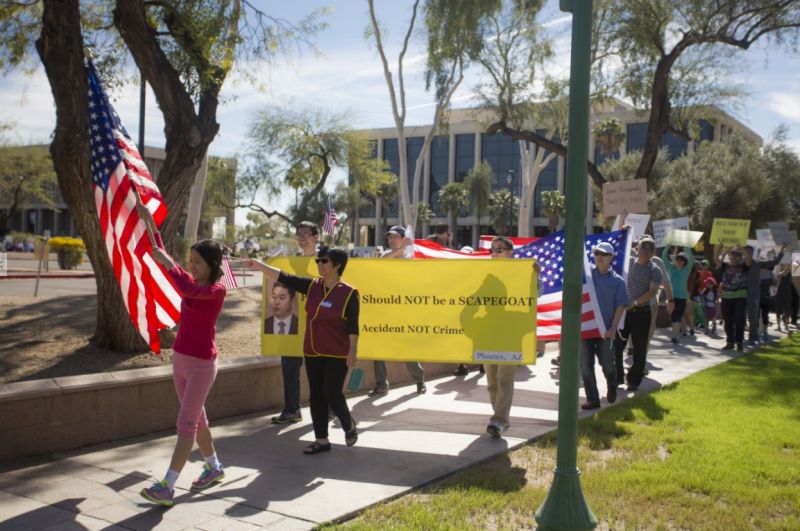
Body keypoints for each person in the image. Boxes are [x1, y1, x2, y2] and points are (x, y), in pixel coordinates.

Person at [137, 204, 227, 507]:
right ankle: (214, 467)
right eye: (190, 261)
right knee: (197, 419)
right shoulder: (192, 282)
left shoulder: (215, 290)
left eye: (197, 262)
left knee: (186, 422)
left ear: (212, 264)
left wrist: (170, 264)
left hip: (202, 365)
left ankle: (167, 486)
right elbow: (160, 253)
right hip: (181, 359)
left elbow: (187, 289)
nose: (192, 266)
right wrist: (149, 221)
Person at [245, 246, 360, 455]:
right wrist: (259, 265)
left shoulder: (349, 293)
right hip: (313, 349)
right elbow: (284, 277)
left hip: (337, 350)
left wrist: (352, 349)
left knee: (332, 392)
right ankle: (321, 440)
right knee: (316, 394)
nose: (319, 264)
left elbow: (353, 325)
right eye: (318, 261)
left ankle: (348, 424)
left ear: (337, 265)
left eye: (324, 261)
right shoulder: (312, 285)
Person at [270, 222, 320, 425]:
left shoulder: (325, 261)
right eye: (298, 234)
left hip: (318, 327)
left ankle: (329, 409)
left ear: (316, 237)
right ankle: (292, 410)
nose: (301, 237)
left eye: (306, 233)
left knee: (319, 373)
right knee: (289, 369)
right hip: (293, 325)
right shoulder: (288, 262)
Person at [368, 226, 426, 396]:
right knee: (377, 348)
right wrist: (399, 250)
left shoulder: (411, 258)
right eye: (389, 237)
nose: (391, 240)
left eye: (395, 237)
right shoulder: (386, 255)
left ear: (403, 238)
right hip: (384, 309)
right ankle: (381, 384)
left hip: (403, 311)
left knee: (407, 348)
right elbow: (381, 262)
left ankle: (419, 380)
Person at [580, 242, 628, 409]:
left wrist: (613, 327)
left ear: (611, 257)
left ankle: (612, 383)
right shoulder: (586, 276)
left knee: (607, 364)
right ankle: (593, 399)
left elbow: (621, 306)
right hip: (586, 328)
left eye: (603, 254)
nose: (599, 257)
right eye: (596, 253)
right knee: (585, 366)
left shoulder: (618, 281)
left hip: (606, 330)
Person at [613, 234, 662, 391]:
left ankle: (633, 380)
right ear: (637, 248)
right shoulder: (628, 263)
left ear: (652, 252)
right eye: (642, 246)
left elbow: (652, 292)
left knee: (639, 349)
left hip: (641, 313)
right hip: (623, 313)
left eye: (649, 248)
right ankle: (617, 377)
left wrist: (634, 303)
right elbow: (617, 249)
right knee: (616, 347)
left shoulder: (654, 269)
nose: (645, 250)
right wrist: (623, 228)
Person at [482, 236, 520, 436]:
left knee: (504, 379)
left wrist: (535, 276)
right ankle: (500, 418)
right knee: (492, 383)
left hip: (510, 333)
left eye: (499, 249)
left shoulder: (522, 272)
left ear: (510, 252)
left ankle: (498, 420)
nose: (494, 253)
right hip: (487, 333)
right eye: (492, 249)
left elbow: (537, 294)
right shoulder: (484, 273)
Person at [713, 244, 749, 351]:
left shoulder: (743, 267)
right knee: (728, 320)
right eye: (732, 255)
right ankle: (730, 342)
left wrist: (741, 247)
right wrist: (721, 248)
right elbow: (716, 258)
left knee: (739, 320)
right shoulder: (725, 266)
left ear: (740, 257)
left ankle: (739, 342)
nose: (734, 257)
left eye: (737, 255)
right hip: (726, 297)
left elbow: (748, 259)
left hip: (740, 297)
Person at [662, 246, 695, 344]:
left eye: (682, 260)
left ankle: (675, 336)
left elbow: (692, 260)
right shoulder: (671, 268)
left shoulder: (686, 269)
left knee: (678, 316)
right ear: (675, 260)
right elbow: (664, 258)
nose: (680, 262)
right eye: (678, 260)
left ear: (684, 262)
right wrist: (667, 246)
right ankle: (675, 334)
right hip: (671, 297)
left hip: (682, 297)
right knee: (673, 316)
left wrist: (686, 248)